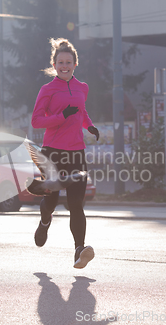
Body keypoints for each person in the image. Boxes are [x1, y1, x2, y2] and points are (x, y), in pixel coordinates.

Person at [31, 38, 99, 269]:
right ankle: (44, 220)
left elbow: (82, 112)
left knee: (76, 203)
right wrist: (62, 116)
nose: (64, 65)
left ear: (75, 64)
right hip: (52, 153)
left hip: (76, 153)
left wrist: (88, 126)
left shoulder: (83, 87)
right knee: (51, 200)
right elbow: (37, 121)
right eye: (60, 62)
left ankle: (79, 250)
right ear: (54, 64)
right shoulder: (48, 90)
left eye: (68, 62)